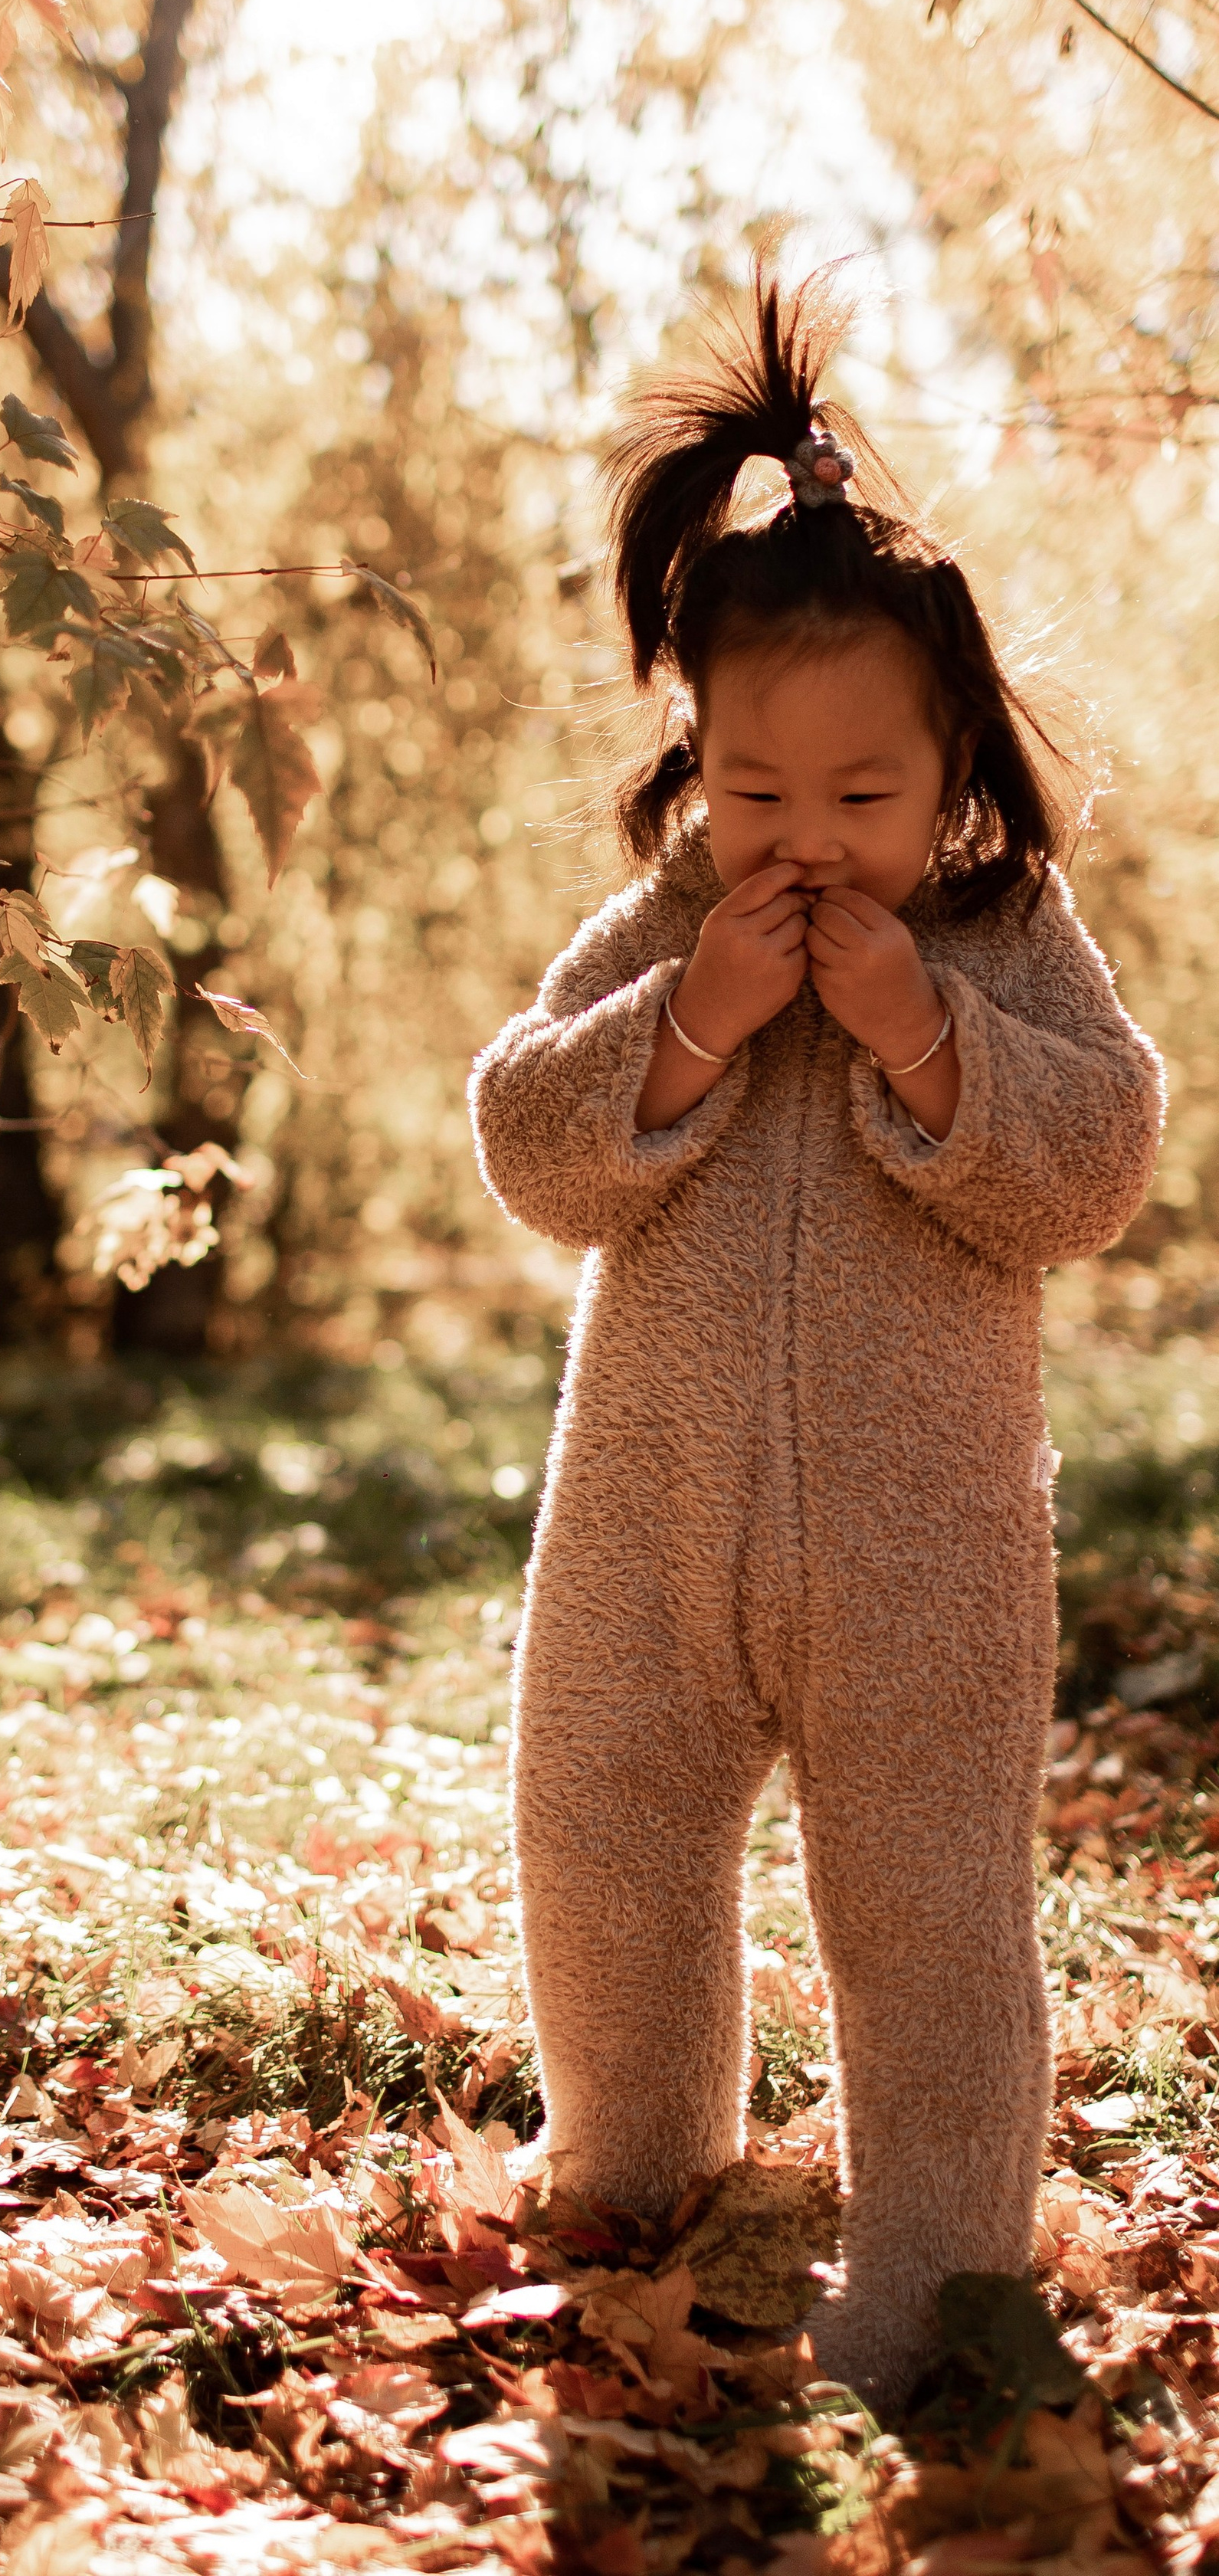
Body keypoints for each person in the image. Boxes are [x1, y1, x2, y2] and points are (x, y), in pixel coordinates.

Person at [468, 273, 1163, 2410]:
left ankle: (934, 2279)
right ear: (697, 764)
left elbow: (1102, 1159)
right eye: (756, 795)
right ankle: (637, 2172)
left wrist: (920, 1037)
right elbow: (530, 1140)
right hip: (647, 1515)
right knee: (602, 1833)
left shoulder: (1009, 943)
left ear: (955, 775)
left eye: (860, 803)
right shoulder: (666, 935)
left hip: (925, 1545)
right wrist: (691, 1027)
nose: (802, 844)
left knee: (934, 1915)